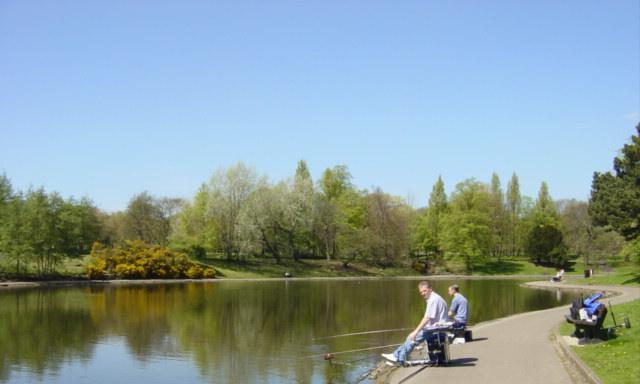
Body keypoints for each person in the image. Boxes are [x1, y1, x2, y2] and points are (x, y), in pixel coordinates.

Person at [382, 281, 448, 365]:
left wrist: (416, 331)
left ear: (430, 289)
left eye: (425, 291)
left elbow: (427, 318)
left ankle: (397, 357)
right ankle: (397, 356)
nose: (423, 293)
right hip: (436, 327)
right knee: (410, 337)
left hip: (436, 329)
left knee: (412, 337)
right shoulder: (435, 297)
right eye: (421, 292)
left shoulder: (433, 300)